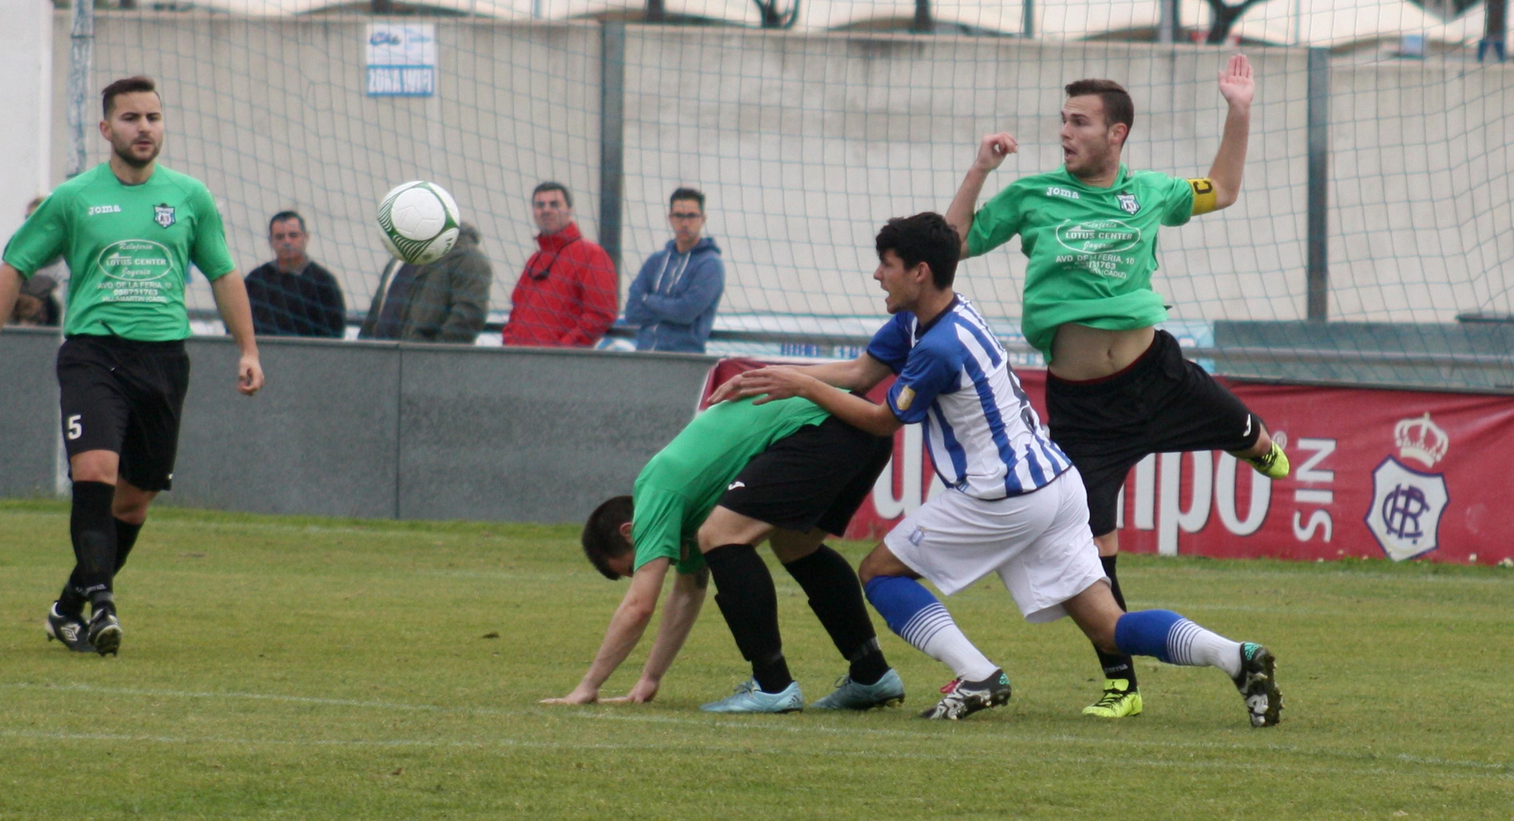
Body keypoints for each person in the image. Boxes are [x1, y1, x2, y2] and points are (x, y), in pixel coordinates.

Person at [711, 214, 1281, 727]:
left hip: (1000, 495)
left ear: (920, 272)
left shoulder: (938, 346)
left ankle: (978, 675)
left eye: (886, 265)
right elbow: (861, 373)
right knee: (1107, 626)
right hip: (1057, 485)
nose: (877, 276)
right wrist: (773, 373)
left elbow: (882, 419)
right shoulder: (931, 318)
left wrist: (801, 385)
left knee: (881, 572)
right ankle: (1236, 656)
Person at [943, 55, 1289, 720]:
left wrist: (1238, 111)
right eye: (1063, 121)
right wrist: (981, 168)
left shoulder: (1151, 191)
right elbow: (950, 245)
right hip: (1083, 410)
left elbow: (1222, 188)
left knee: (1254, 439)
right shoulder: (1032, 195)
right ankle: (1121, 684)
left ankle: (1254, 444)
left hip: (1159, 376)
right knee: (1090, 553)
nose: (1065, 132)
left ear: (1116, 134)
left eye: (1079, 122)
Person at [0, 75, 264, 657]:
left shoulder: (189, 198)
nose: (144, 128)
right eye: (131, 118)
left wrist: (248, 349)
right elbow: (14, 263)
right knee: (95, 470)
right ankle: (103, 604)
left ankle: (68, 606)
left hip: (162, 360)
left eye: (153, 117)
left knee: (134, 500)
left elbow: (224, 274)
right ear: (107, 129)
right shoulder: (75, 198)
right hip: (93, 354)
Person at [541, 395, 904, 714]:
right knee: (797, 546)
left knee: (725, 537)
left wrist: (587, 687)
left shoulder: (654, 492)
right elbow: (687, 592)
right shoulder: (689, 508)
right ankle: (871, 672)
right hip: (862, 428)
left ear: (628, 530)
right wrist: (649, 679)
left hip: (822, 426)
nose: (652, 569)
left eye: (637, 565)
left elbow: (640, 605)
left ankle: (772, 686)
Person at [503, 182, 617, 348]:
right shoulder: (534, 260)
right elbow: (516, 312)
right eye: (540, 205)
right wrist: (510, 345)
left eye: (554, 204)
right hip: (520, 363)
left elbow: (601, 314)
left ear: (570, 210)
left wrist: (560, 351)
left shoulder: (591, 255)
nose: (546, 210)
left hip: (562, 366)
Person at [624, 188, 724, 353]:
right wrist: (671, 309)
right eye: (679, 215)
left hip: (683, 359)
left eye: (691, 216)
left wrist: (648, 300)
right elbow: (631, 312)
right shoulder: (655, 261)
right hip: (643, 355)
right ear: (670, 218)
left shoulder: (710, 264)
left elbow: (685, 312)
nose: (685, 223)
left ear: (702, 219)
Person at [358, 223, 492, 342]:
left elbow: (468, 318)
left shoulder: (466, 259)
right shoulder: (400, 257)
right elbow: (376, 313)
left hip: (423, 363)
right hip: (378, 362)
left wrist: (428, 357)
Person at [243, 210, 346, 338]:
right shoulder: (255, 280)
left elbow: (334, 331)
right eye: (279, 236)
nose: (287, 242)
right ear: (271, 241)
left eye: (293, 235)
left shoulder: (323, 281)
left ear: (306, 237)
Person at [7, 196, 63, 327]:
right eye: (29, 219)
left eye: (39, 219)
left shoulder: (72, 261)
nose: (32, 225)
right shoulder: (14, 261)